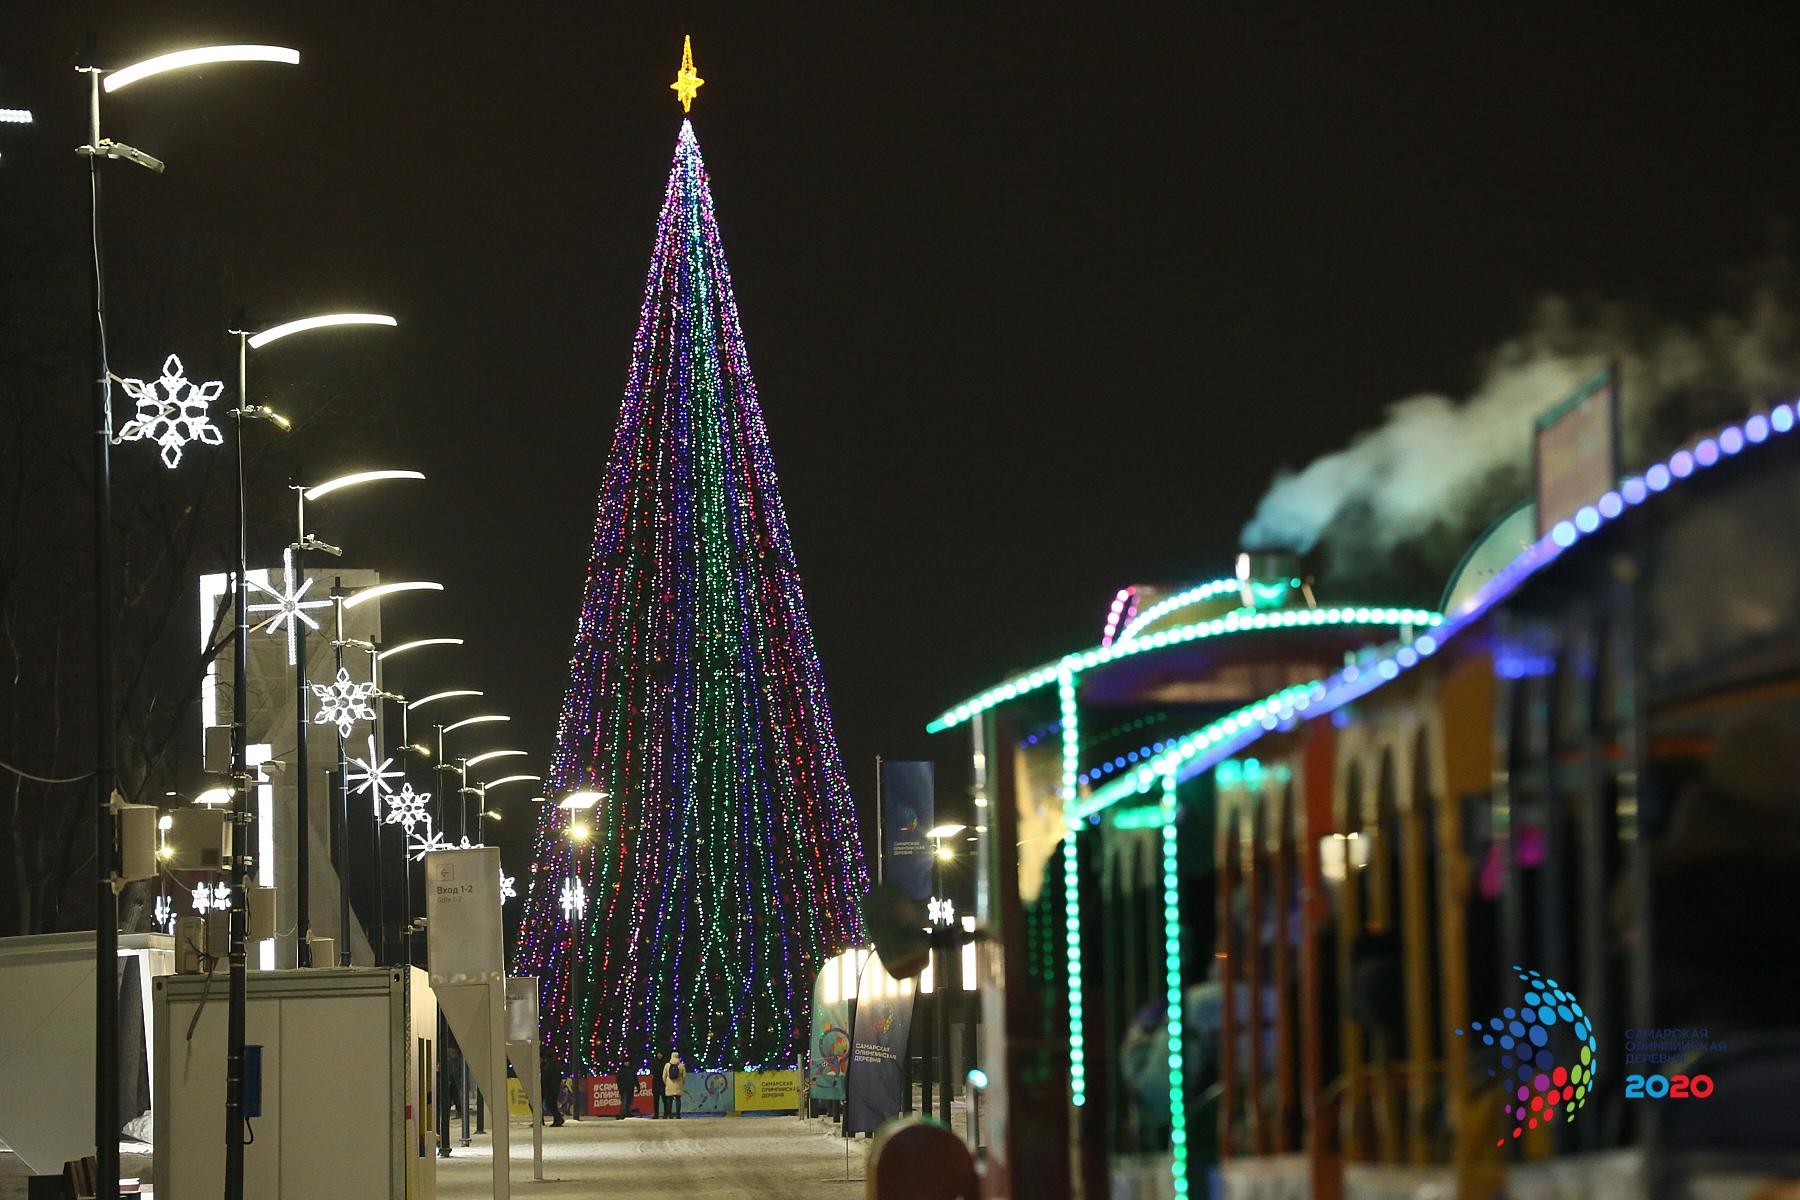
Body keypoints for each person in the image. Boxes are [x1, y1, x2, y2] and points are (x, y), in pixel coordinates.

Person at [539, 1050, 564, 1127]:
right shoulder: (554, 1065)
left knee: (550, 1104)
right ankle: (558, 1118)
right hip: (553, 1088)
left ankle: (558, 1118)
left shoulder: (549, 1066)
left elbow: (546, 1077)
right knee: (551, 1104)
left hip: (550, 1088)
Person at [662, 1051, 687, 1119]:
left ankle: (669, 1114)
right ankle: (678, 1115)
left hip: (669, 1084)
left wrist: (666, 1083)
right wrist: (682, 1083)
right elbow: (684, 1076)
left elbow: (664, 1076)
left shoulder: (667, 1065)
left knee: (669, 1100)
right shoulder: (681, 1065)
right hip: (678, 1084)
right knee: (678, 1099)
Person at [649, 1048, 667, 1118]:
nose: (659, 1055)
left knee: (664, 1100)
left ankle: (666, 1113)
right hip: (656, 1083)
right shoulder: (654, 1062)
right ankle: (656, 1114)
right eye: (658, 1054)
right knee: (656, 1101)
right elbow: (652, 1070)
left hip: (662, 1083)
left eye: (660, 1054)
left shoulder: (665, 1062)